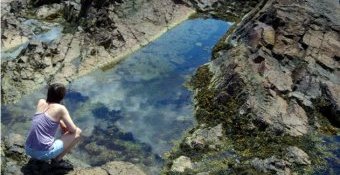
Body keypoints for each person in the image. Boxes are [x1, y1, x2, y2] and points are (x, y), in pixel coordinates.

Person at [25, 83, 82, 163]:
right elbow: (73, 130)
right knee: (78, 132)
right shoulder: (61, 108)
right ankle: (57, 159)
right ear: (62, 96)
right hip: (43, 154)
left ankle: (52, 152)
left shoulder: (41, 102)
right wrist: (62, 121)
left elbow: (47, 118)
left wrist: (60, 121)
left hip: (28, 149)